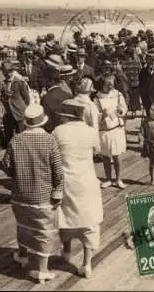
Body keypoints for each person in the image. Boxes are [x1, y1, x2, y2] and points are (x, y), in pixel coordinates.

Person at [0, 104, 64, 284]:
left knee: (23, 224)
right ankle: (42, 270)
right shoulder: (50, 140)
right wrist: (57, 192)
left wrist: (18, 175)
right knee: (44, 231)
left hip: (20, 195)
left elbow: (6, 165)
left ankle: (22, 255)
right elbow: (58, 172)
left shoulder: (16, 140)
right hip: (43, 196)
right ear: (43, 121)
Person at [52, 99, 103, 279]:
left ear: (66, 116)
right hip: (87, 180)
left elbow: (53, 153)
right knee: (89, 221)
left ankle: (66, 252)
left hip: (66, 181)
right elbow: (97, 151)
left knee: (66, 217)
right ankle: (87, 264)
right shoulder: (91, 132)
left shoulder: (58, 131)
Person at [94, 75, 128, 189]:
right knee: (106, 156)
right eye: (107, 84)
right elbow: (94, 115)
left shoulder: (118, 95)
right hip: (104, 130)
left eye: (111, 84)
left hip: (116, 129)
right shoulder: (97, 98)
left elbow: (124, 108)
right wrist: (101, 115)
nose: (110, 87)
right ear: (102, 85)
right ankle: (108, 179)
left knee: (117, 156)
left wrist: (121, 110)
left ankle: (118, 179)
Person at [0, 61, 30, 145]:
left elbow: (26, 98)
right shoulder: (2, 83)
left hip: (19, 113)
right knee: (8, 138)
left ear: (13, 71)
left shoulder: (19, 82)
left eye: (10, 71)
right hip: (8, 113)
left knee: (22, 136)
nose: (8, 74)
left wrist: (22, 109)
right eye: (6, 72)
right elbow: (1, 97)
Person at [41, 65, 74, 133]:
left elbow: (47, 124)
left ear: (49, 81)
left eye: (43, 79)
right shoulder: (68, 95)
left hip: (54, 134)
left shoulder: (46, 98)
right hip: (68, 132)